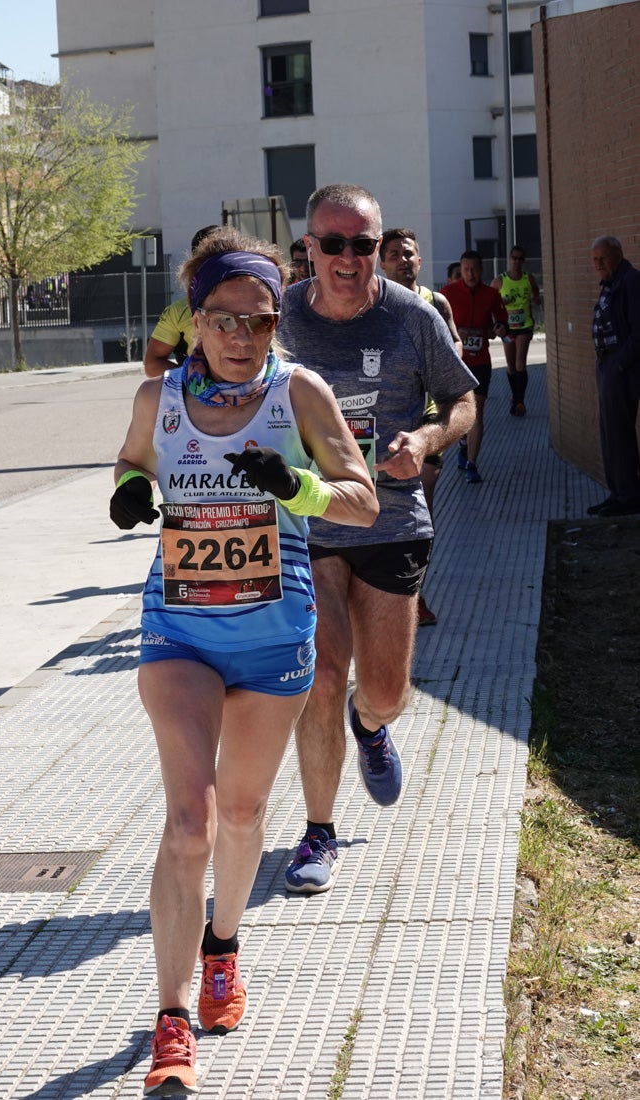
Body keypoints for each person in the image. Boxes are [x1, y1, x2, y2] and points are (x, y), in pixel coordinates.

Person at [111, 226, 378, 1094]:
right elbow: (133, 455)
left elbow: (362, 499)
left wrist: (294, 486)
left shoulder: (297, 392)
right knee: (190, 819)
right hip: (179, 629)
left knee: (243, 813)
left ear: (275, 325)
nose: (239, 338)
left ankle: (224, 944)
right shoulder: (159, 398)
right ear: (193, 321)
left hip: (273, 637)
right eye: (223, 320)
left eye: (258, 322)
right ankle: (171, 1016)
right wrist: (128, 486)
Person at [277, 184, 477, 894]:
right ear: (309, 249)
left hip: (391, 519)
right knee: (320, 676)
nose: (347, 257)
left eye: (360, 244)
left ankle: (371, 726)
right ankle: (317, 832)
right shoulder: (278, 320)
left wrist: (424, 439)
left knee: (384, 691)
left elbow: (461, 398)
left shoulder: (411, 317)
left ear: (378, 246)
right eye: (331, 243)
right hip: (306, 527)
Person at [379, 227, 464, 627]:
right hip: (386, 421)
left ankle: (414, 594)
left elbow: (456, 346)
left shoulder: (436, 302)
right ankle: (383, 592)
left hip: (428, 420)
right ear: (382, 263)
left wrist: (442, 364)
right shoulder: (373, 305)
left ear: (420, 259)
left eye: (408, 253)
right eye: (393, 254)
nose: (402, 260)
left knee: (420, 510)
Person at [442, 250, 509, 484]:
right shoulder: (447, 293)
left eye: (474, 269)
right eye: (466, 269)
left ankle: (472, 463)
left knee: (477, 413)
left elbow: (501, 319)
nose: (470, 273)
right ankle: (462, 442)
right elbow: (436, 321)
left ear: (481, 270)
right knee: (459, 411)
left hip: (481, 362)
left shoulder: (490, 294)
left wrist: (500, 328)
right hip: (457, 363)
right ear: (461, 270)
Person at [586, 235, 640, 516]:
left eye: (603, 258)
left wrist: (619, 365)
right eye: (594, 259)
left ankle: (629, 496)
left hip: (621, 369)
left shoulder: (630, 281)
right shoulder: (610, 283)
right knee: (609, 433)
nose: (598, 264)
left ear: (618, 254)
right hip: (607, 366)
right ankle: (617, 492)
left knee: (619, 434)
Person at [143, 225, 218, 378]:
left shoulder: (259, 300)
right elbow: (152, 364)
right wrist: (193, 378)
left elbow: (152, 365)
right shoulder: (180, 311)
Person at [491, 245, 541, 416]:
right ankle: (515, 397)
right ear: (509, 259)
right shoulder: (500, 280)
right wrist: (501, 303)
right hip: (507, 329)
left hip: (525, 326)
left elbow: (536, 294)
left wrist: (536, 299)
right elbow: (490, 302)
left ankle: (520, 402)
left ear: (524, 261)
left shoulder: (529, 278)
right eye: (514, 258)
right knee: (511, 365)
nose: (517, 262)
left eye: (520, 259)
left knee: (520, 363)